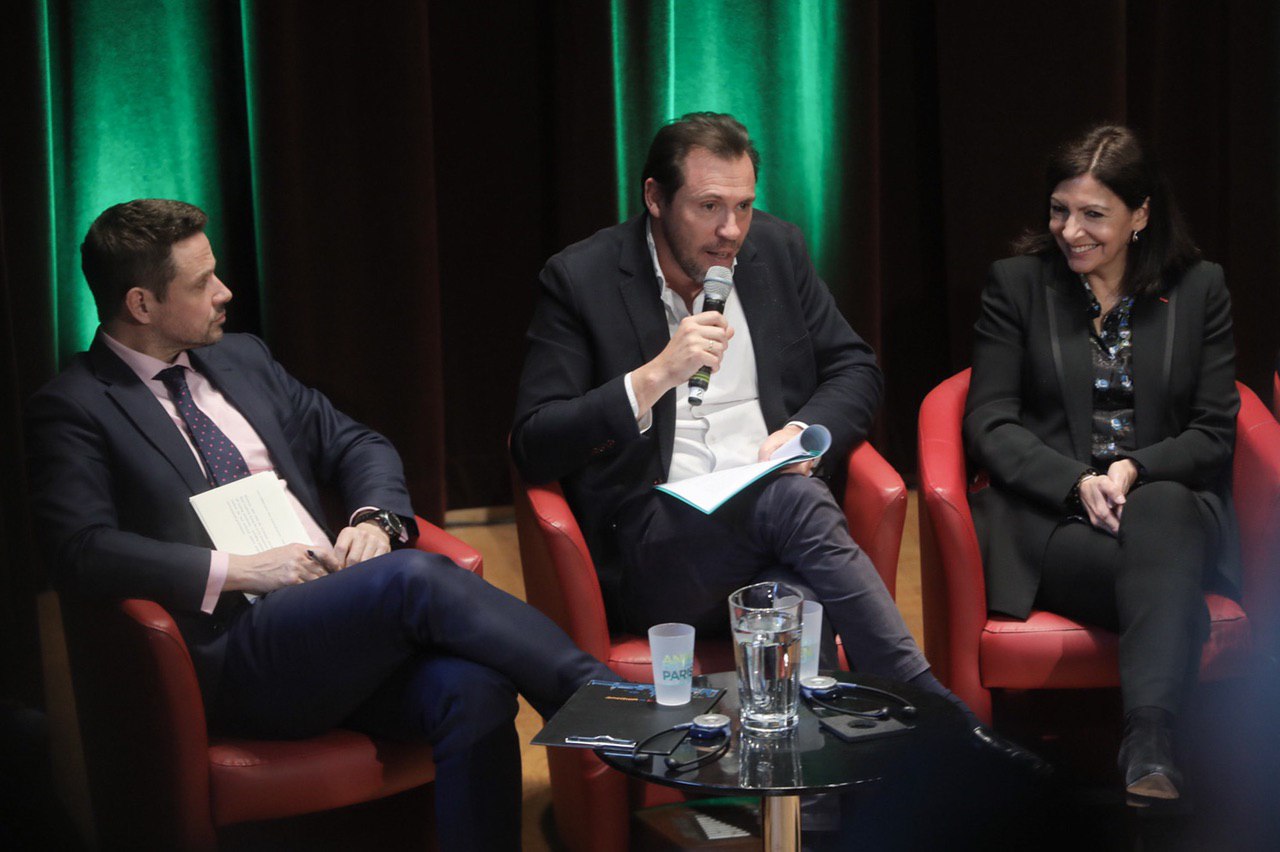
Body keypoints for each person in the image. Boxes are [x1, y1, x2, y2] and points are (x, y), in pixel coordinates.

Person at [25, 199, 617, 850]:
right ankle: (618, 715)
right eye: (201, 283)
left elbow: (356, 443)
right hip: (237, 652)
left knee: (475, 691)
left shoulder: (243, 360)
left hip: (338, 621)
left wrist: (374, 520)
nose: (224, 292)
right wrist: (240, 570)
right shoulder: (76, 407)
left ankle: (608, 721)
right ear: (140, 304)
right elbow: (78, 549)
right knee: (413, 578)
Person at [511, 111, 1041, 769]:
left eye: (742, 206)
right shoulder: (581, 278)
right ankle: (937, 719)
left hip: (779, 531)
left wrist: (798, 432)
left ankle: (809, 812)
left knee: (798, 599)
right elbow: (534, 440)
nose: (731, 230)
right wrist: (651, 379)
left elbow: (855, 367)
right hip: (657, 549)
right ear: (655, 198)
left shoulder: (775, 250)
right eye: (709, 207)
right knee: (795, 504)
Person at [964, 125, 1240, 804]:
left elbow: (1213, 431)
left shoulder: (1200, 289)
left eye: (1093, 214)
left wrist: (1133, 470)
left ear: (1140, 214)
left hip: (1169, 514)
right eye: (1060, 210)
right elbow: (989, 422)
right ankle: (1154, 749)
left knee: (1164, 509)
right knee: (1169, 589)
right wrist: (1078, 482)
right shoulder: (1017, 286)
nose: (1070, 231)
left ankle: (1146, 737)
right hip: (1056, 527)